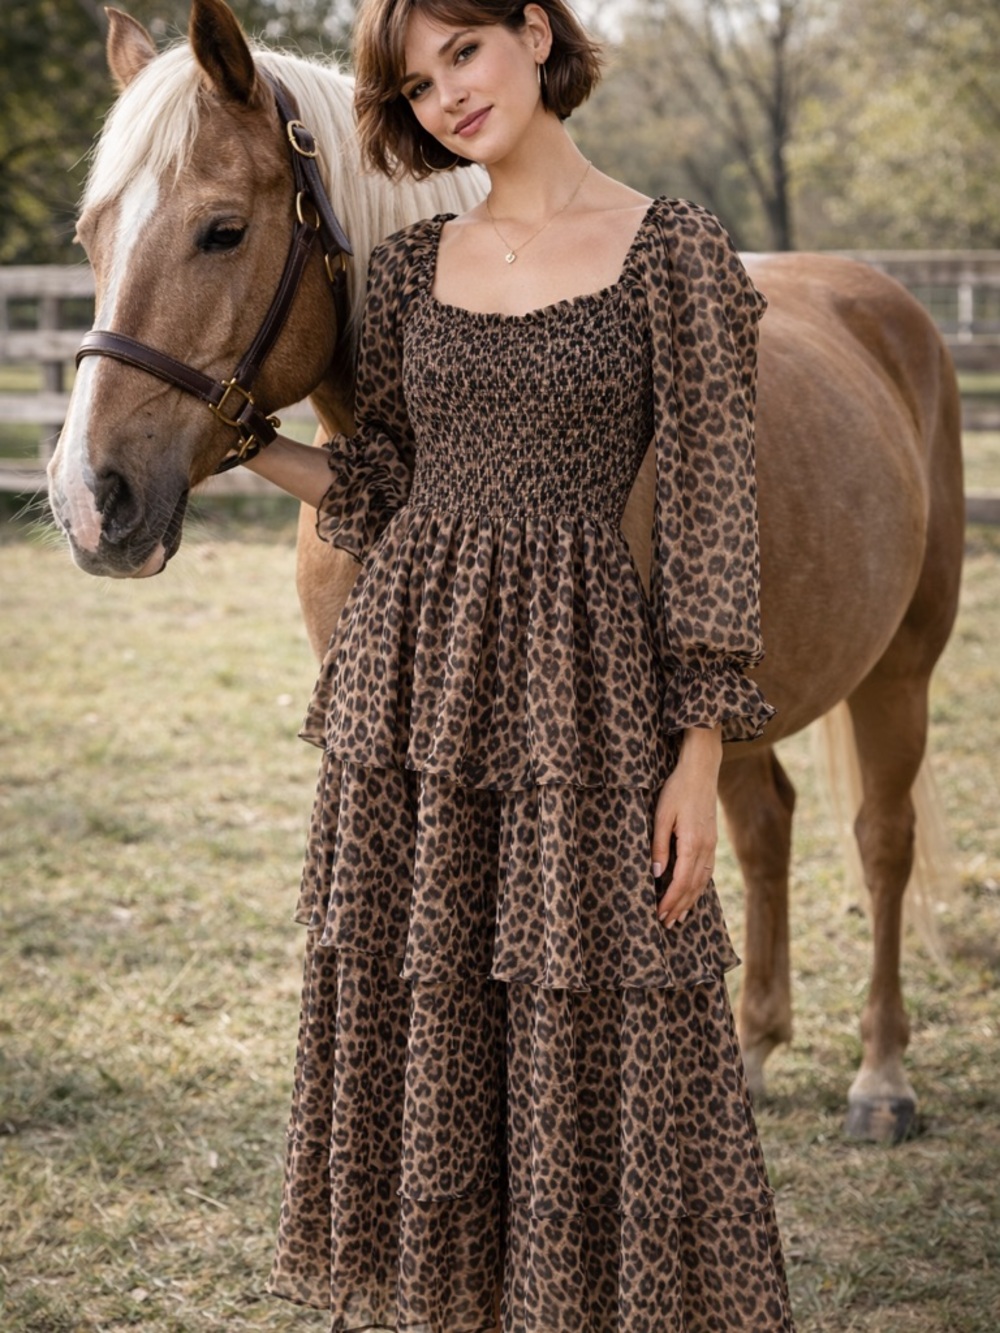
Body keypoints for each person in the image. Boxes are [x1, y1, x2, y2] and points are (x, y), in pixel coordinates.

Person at [243, 0, 795, 1327]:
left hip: (581, 687)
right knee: (425, 992)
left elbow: (717, 506)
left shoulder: (673, 251)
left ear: (536, 34)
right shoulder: (418, 262)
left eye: (465, 53)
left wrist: (701, 747)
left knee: (600, 991)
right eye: (418, 85)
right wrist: (240, 438)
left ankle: (592, 1291)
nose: (447, 96)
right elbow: (376, 485)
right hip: (414, 691)